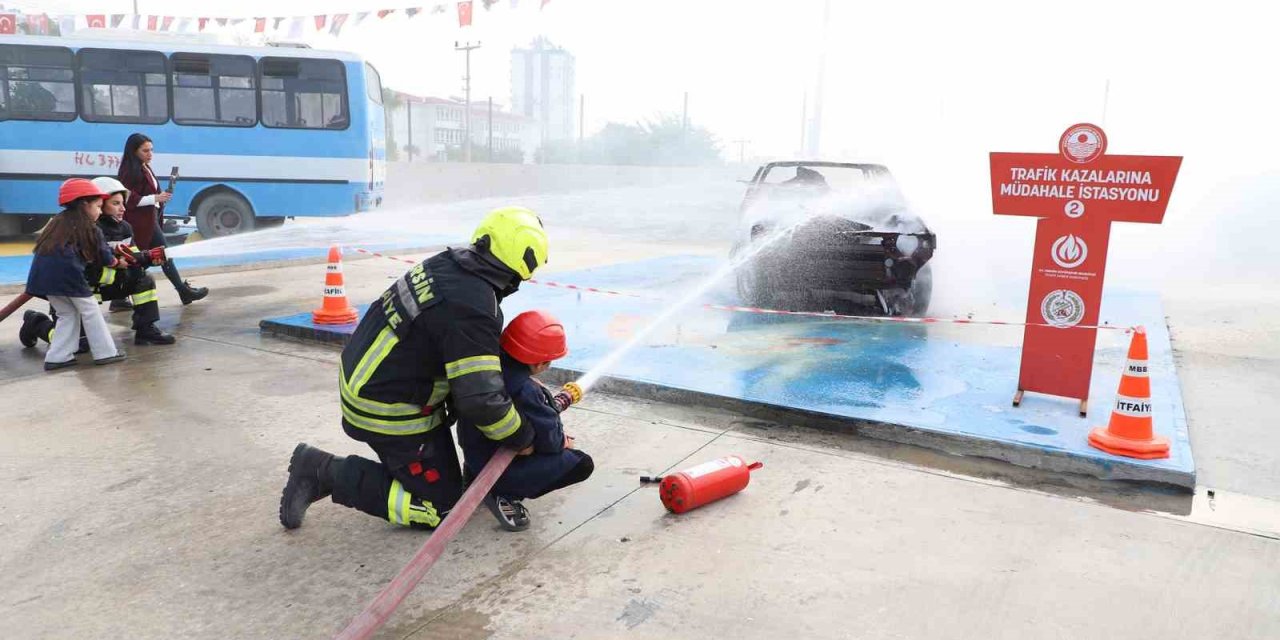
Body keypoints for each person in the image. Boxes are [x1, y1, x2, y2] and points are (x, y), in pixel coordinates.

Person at [278, 206, 582, 531]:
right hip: (388, 409)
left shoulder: (449, 265)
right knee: (444, 508)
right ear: (518, 268)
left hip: (370, 380)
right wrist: (523, 438)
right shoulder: (474, 308)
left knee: (475, 433)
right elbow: (480, 400)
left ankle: (456, 471)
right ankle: (323, 471)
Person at [459, 310, 593, 531]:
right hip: (500, 467)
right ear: (540, 364)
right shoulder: (527, 391)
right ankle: (505, 495)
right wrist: (562, 441)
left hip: (475, 455)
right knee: (581, 463)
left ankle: (475, 477)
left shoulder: (484, 372)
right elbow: (549, 441)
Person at [21, 178, 176, 348]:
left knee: (144, 278)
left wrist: (147, 258)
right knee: (77, 344)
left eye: (123, 203)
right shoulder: (88, 229)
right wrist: (119, 262)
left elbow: (133, 257)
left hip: (105, 285)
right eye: (115, 203)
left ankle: (146, 329)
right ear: (98, 204)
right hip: (78, 290)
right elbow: (89, 265)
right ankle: (36, 323)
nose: (123, 209)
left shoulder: (125, 228)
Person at [21, 179, 127, 371]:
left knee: (67, 314)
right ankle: (106, 353)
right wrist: (118, 262)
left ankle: (57, 357)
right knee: (91, 311)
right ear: (84, 204)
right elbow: (103, 255)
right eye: (98, 206)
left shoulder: (57, 222)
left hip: (43, 278)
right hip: (69, 276)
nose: (100, 211)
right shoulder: (90, 227)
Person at [118, 132, 208, 305]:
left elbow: (148, 193)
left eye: (151, 150)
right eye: (145, 151)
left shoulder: (144, 166)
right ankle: (183, 291)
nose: (150, 154)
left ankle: (120, 296)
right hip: (141, 223)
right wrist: (155, 198)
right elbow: (129, 199)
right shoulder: (128, 171)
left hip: (149, 220)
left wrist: (160, 197)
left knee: (151, 258)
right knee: (163, 254)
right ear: (133, 151)